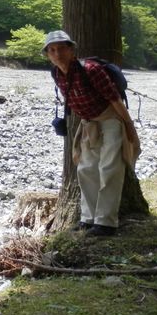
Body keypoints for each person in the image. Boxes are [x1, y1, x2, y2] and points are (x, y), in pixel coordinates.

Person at [42, 30, 140, 236]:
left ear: (71, 50)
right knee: (85, 169)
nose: (57, 54)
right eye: (52, 50)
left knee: (110, 168)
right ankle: (88, 219)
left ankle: (105, 222)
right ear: (48, 55)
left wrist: (130, 127)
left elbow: (115, 99)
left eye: (61, 48)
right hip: (89, 123)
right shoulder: (57, 73)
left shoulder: (92, 70)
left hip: (112, 120)